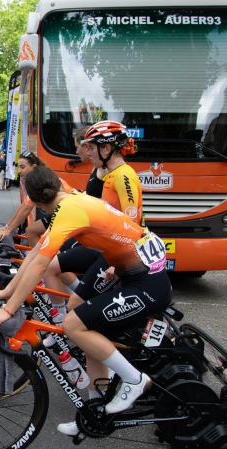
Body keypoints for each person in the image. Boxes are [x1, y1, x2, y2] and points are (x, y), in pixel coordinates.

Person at [0, 166, 171, 433]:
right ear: (58, 183)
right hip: (134, 274)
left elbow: (39, 265)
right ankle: (95, 413)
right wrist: (7, 292)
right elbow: (36, 254)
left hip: (148, 282)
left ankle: (134, 379)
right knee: (89, 331)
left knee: (73, 324)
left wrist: (7, 310)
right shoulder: (70, 204)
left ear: (35, 202)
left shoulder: (69, 211)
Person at [43, 121, 142, 323]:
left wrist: (116, 264)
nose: (87, 153)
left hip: (117, 252)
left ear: (106, 148)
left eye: (91, 148)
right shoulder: (110, 174)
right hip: (106, 246)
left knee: (76, 307)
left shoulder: (124, 176)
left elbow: (133, 220)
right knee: (53, 268)